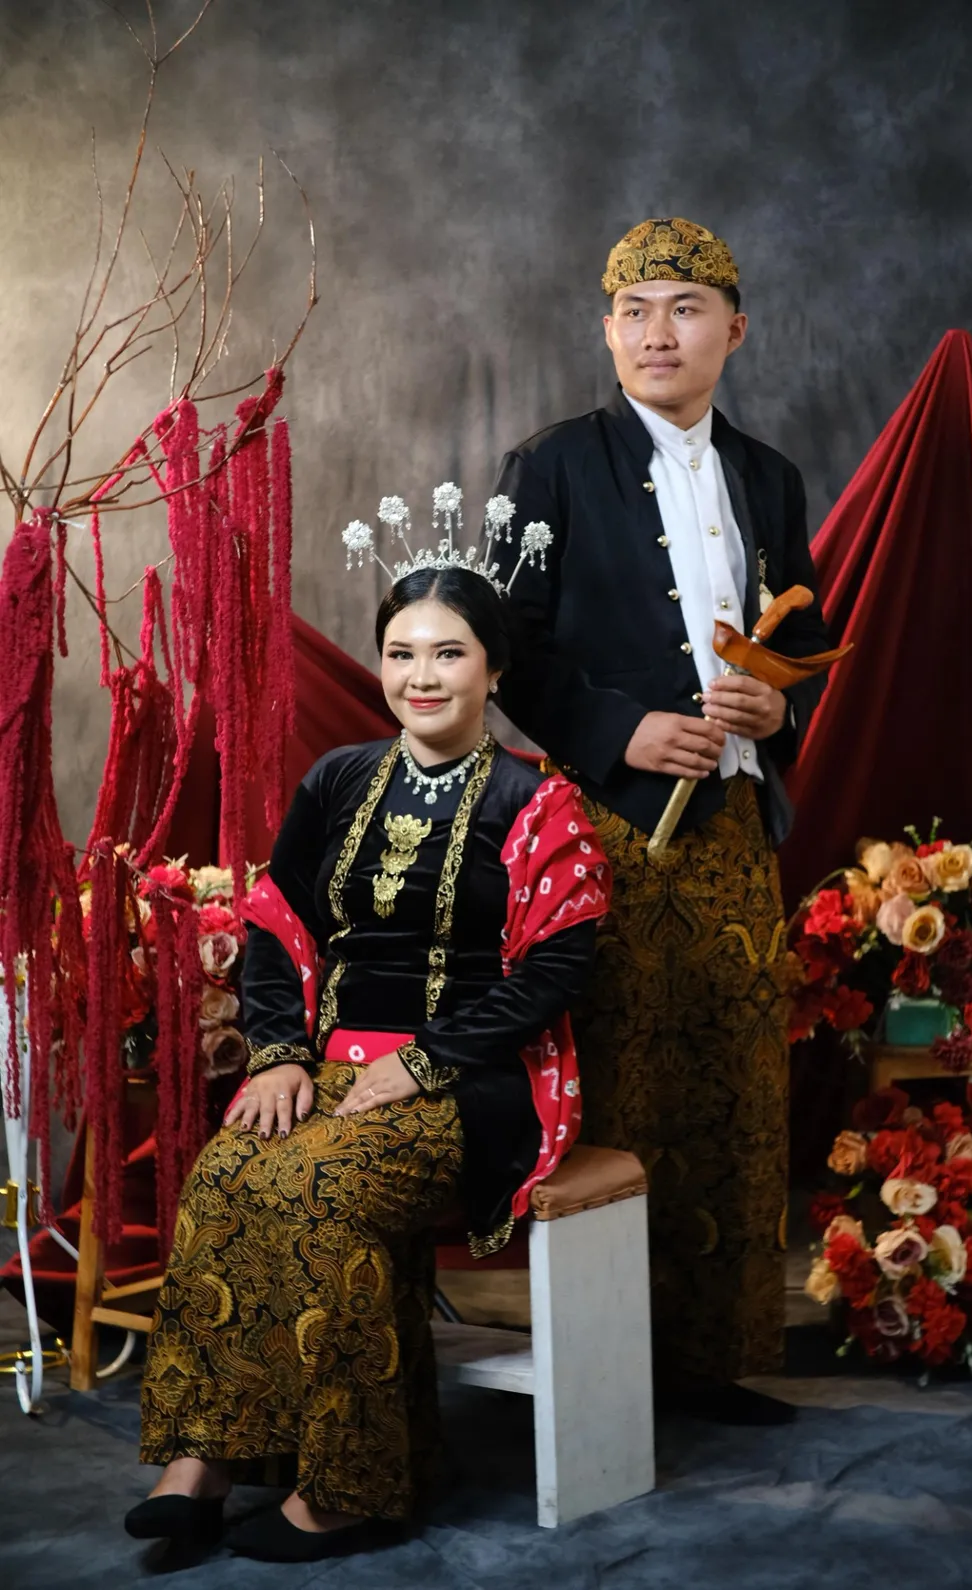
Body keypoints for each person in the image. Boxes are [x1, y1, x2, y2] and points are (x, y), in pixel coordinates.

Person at [125, 545, 610, 1563]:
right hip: (325, 1066)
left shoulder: (537, 804)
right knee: (226, 1175)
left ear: (494, 669)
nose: (420, 677)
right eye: (401, 653)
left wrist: (425, 1062)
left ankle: (354, 1486)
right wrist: (276, 1054)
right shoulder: (338, 779)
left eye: (448, 654)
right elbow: (276, 924)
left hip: (474, 1082)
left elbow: (555, 972)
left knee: (324, 1191)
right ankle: (207, 1458)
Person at [486, 217, 831, 1424]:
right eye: (633, 312)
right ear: (606, 331)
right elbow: (503, 650)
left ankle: (708, 1361)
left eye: (683, 308)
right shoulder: (547, 465)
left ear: (734, 329)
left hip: (733, 831)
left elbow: (801, 638)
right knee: (617, 1086)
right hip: (602, 828)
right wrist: (617, 732)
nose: (656, 333)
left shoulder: (770, 477)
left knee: (733, 1088)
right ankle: (606, 1370)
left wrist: (777, 705)